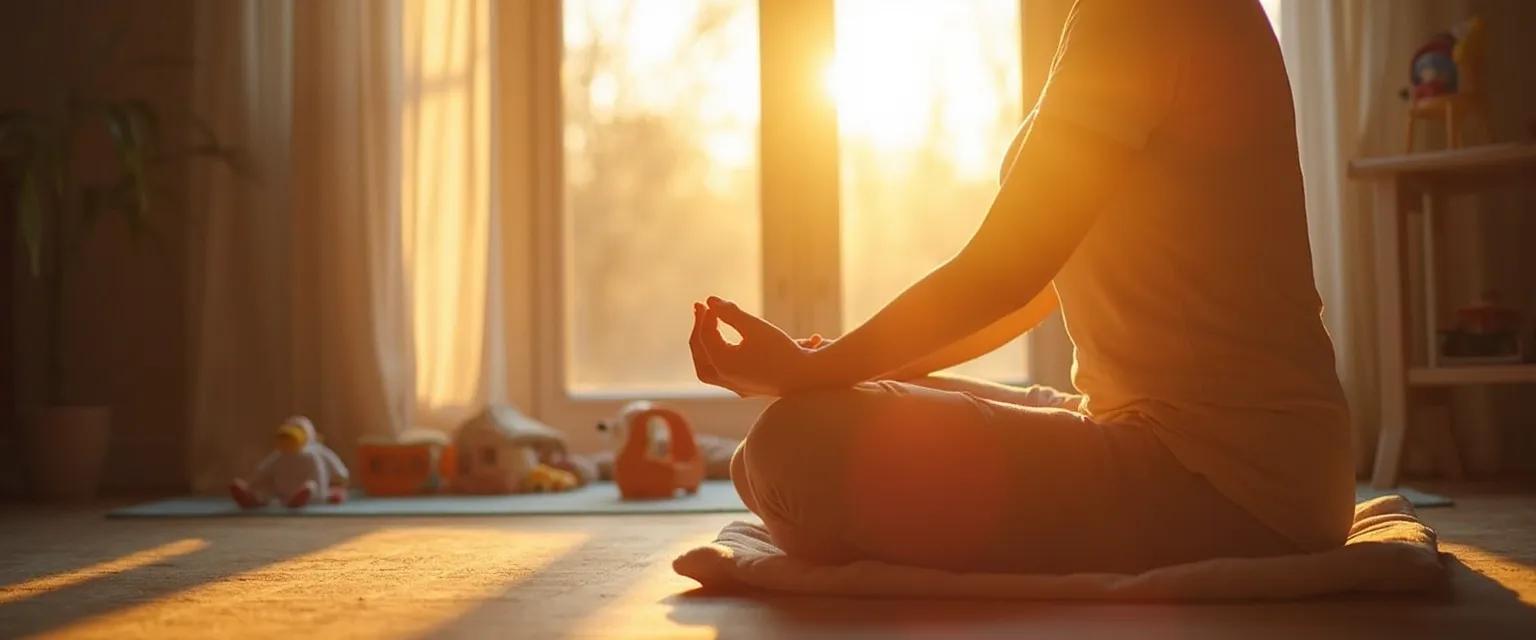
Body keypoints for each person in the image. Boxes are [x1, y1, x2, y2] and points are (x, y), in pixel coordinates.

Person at [687, 0, 1354, 574]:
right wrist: (836, 370)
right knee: (776, 450)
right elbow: (1044, 281)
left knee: (789, 454)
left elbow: (1007, 271)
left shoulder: (1142, 13)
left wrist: (816, 368)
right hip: (1216, 454)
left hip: (1231, 478)